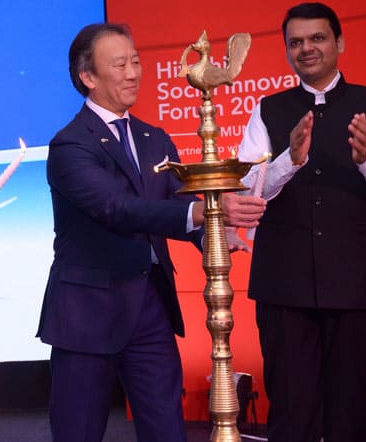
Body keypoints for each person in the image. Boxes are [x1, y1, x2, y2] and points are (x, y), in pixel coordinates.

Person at [36, 22, 267, 442]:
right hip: (88, 315)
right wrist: (207, 212)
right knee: (77, 432)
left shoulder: (153, 138)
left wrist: (212, 234)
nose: (132, 73)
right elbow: (117, 208)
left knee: (166, 430)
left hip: (151, 308)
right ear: (88, 77)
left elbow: (178, 201)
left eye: (136, 61)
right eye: (119, 65)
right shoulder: (70, 145)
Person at [237, 2, 366, 442]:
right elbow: (246, 194)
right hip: (285, 285)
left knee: (348, 410)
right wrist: (289, 160)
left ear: (339, 42)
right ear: (287, 50)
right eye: (296, 42)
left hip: (358, 282)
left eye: (317, 38)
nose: (307, 49)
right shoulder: (267, 110)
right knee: (291, 410)